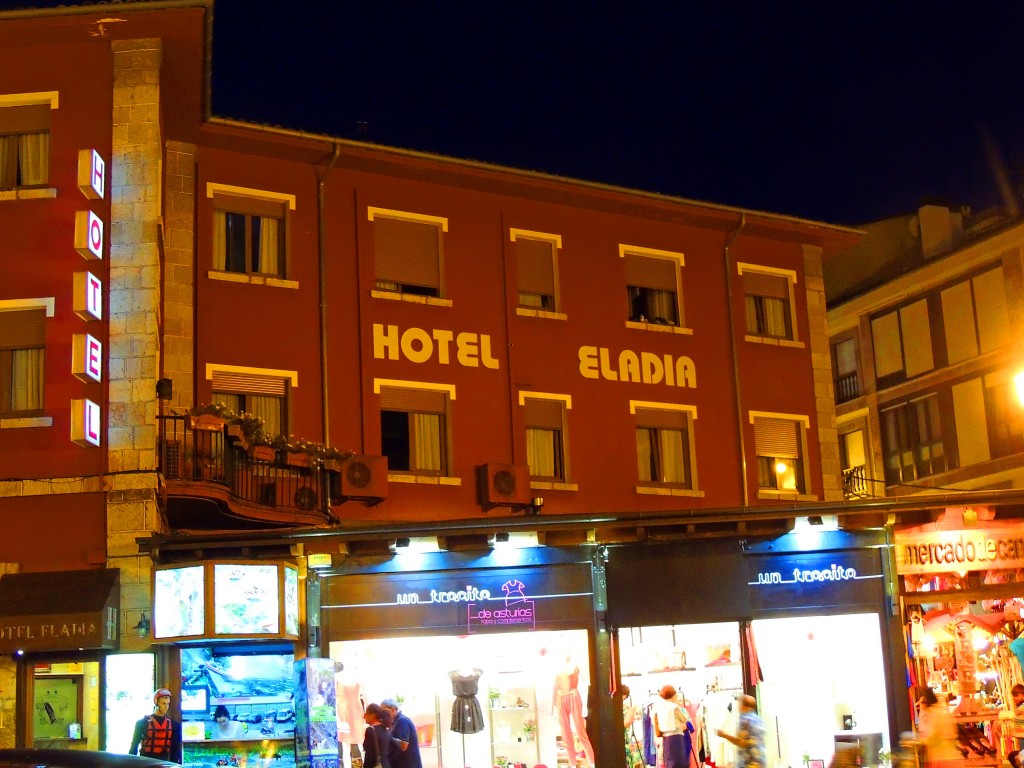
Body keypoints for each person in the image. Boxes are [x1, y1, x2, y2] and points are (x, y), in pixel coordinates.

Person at [552, 651, 595, 768]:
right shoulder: (557, 667)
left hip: (573, 695)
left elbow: (585, 685)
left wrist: (585, 706)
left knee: (581, 731)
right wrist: (554, 708)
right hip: (561, 698)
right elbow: (555, 688)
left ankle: (592, 761)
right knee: (566, 733)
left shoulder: (575, 665)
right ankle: (572, 763)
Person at [129, 688, 182, 763]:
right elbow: (134, 746)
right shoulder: (142, 723)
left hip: (164, 761)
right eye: (163, 703)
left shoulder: (174, 725)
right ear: (156, 702)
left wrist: (176, 764)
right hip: (145, 761)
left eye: (168, 704)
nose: (166, 706)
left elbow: (176, 749)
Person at [716, 694, 765, 768]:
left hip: (750, 763)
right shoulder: (758, 719)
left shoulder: (745, 720)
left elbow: (742, 743)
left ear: (743, 706)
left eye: (739, 703)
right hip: (760, 761)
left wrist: (724, 735)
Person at [652, 684, 694, 768]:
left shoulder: (657, 707)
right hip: (676, 737)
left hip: (665, 738)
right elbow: (684, 719)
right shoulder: (674, 707)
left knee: (669, 761)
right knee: (679, 761)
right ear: (673, 695)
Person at [916, 687, 960, 765]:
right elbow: (953, 732)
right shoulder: (942, 711)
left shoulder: (931, 714)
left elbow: (930, 735)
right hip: (952, 754)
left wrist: (920, 740)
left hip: (941, 757)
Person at [382, 698, 421, 768]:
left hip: (407, 764)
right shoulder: (395, 721)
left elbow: (404, 745)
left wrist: (387, 736)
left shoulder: (402, 720)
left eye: (383, 711)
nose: (382, 714)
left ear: (392, 709)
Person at [362, 703, 392, 768]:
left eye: (366, 714)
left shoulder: (370, 730)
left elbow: (369, 754)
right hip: (386, 765)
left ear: (373, 715)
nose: (364, 717)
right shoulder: (385, 728)